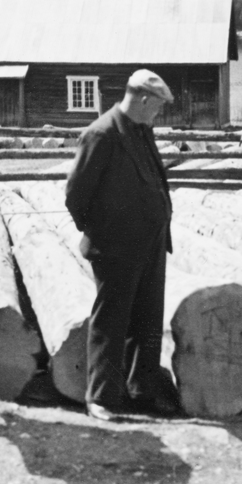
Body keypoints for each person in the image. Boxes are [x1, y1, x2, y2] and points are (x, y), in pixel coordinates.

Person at [65, 69, 180, 421]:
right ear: (143, 100)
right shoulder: (101, 134)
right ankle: (100, 397)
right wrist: (103, 233)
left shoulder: (142, 131)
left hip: (150, 244)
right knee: (111, 323)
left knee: (146, 321)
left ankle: (141, 392)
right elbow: (75, 195)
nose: (158, 113)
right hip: (115, 248)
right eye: (157, 106)